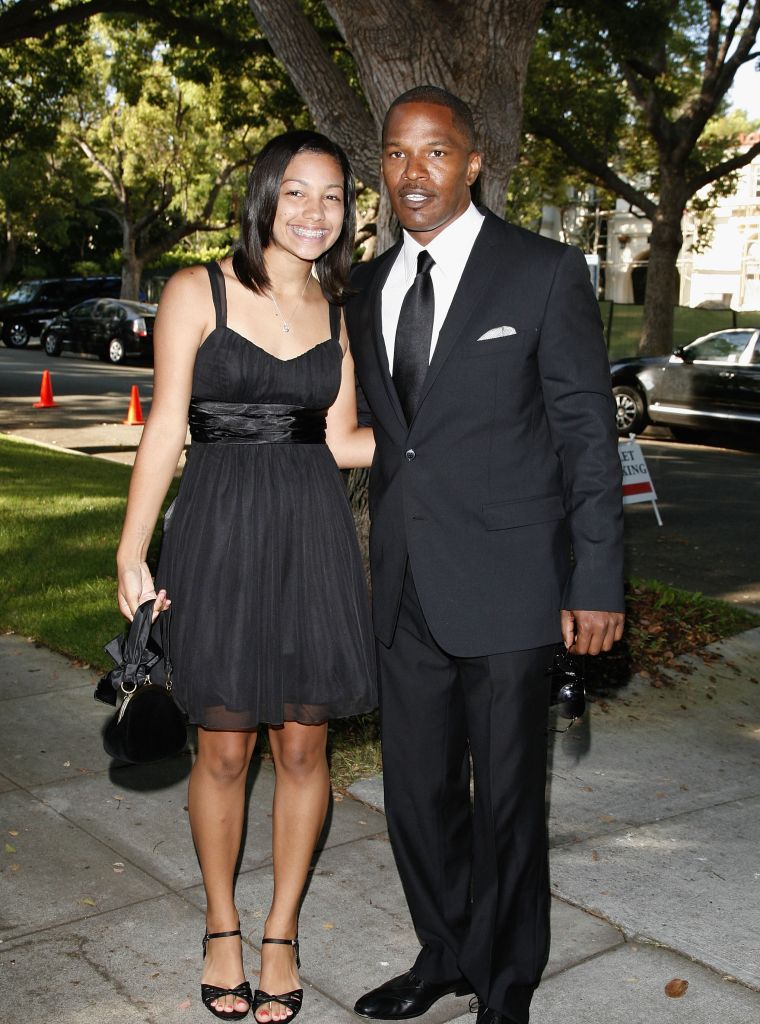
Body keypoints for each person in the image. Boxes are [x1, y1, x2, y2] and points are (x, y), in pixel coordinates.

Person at [345, 87, 625, 1024]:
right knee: (416, 797)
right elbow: (394, 440)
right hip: (407, 589)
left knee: (506, 806)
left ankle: (505, 992)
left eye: (433, 152)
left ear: (473, 163)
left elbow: (589, 438)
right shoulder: (367, 284)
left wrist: (595, 579)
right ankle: (445, 956)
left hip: (512, 586)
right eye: (393, 155)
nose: (411, 172)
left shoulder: (543, 272)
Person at [116, 130, 376, 1023]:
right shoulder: (198, 289)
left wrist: (446, 436)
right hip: (219, 532)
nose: (315, 213)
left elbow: (343, 443)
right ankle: (221, 923)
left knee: (305, 744)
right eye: (297, 192)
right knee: (223, 746)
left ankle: (281, 930)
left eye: (333, 197)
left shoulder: (340, 312)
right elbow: (164, 429)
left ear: (348, 212)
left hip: (311, 536)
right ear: (265, 195)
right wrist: (131, 548)